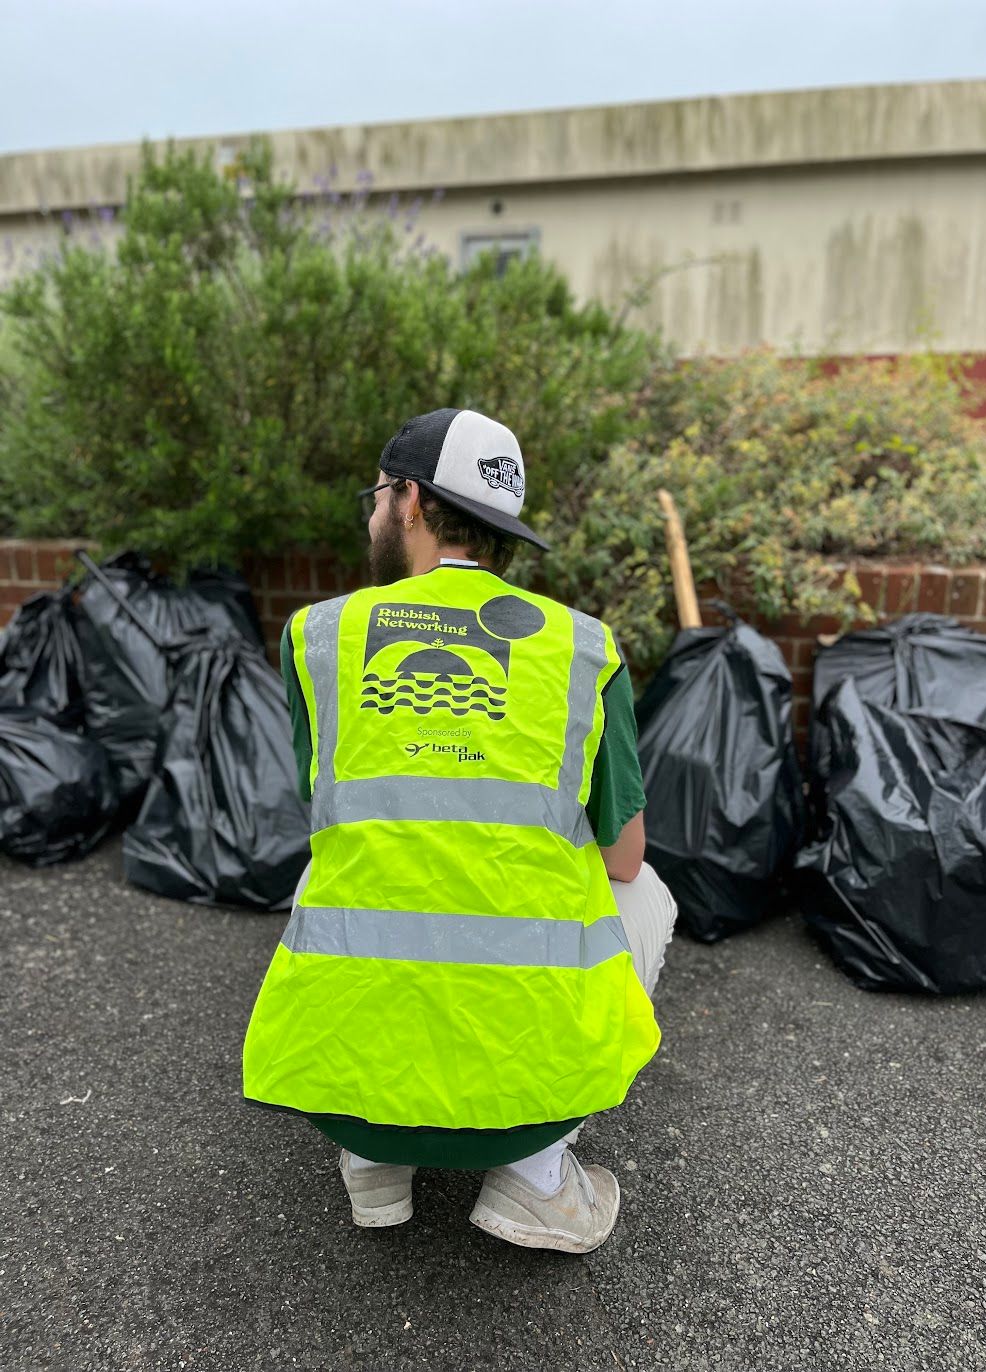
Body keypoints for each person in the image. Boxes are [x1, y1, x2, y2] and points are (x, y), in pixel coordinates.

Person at [243, 407, 677, 1254]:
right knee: (643, 891)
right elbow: (624, 854)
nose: (372, 513)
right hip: (521, 1095)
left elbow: (327, 805)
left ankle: (370, 1158)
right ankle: (537, 1173)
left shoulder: (319, 636)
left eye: (377, 496)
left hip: (345, 1085)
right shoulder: (584, 648)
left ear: (408, 500)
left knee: (338, 863)